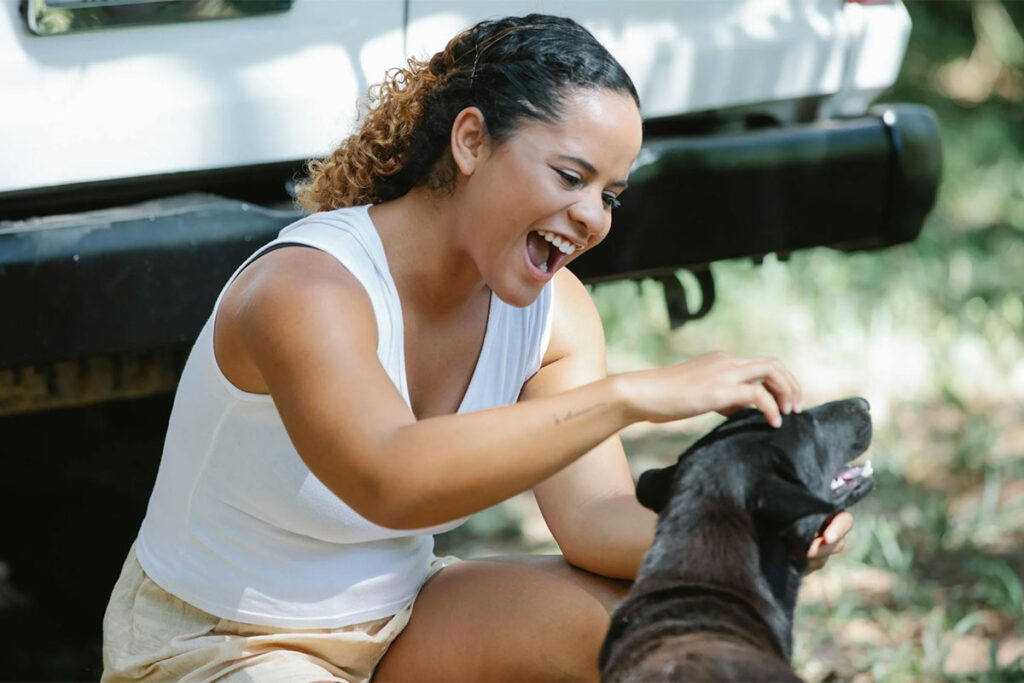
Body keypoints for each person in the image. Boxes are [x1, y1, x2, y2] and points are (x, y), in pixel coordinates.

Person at [101, 14, 852, 682]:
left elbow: (595, 524)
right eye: (571, 175)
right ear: (470, 141)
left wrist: (762, 536)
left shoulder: (554, 314)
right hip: (219, 644)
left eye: (611, 194)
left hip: (401, 621)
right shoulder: (309, 288)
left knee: (648, 629)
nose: (591, 216)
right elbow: (390, 476)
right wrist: (632, 394)